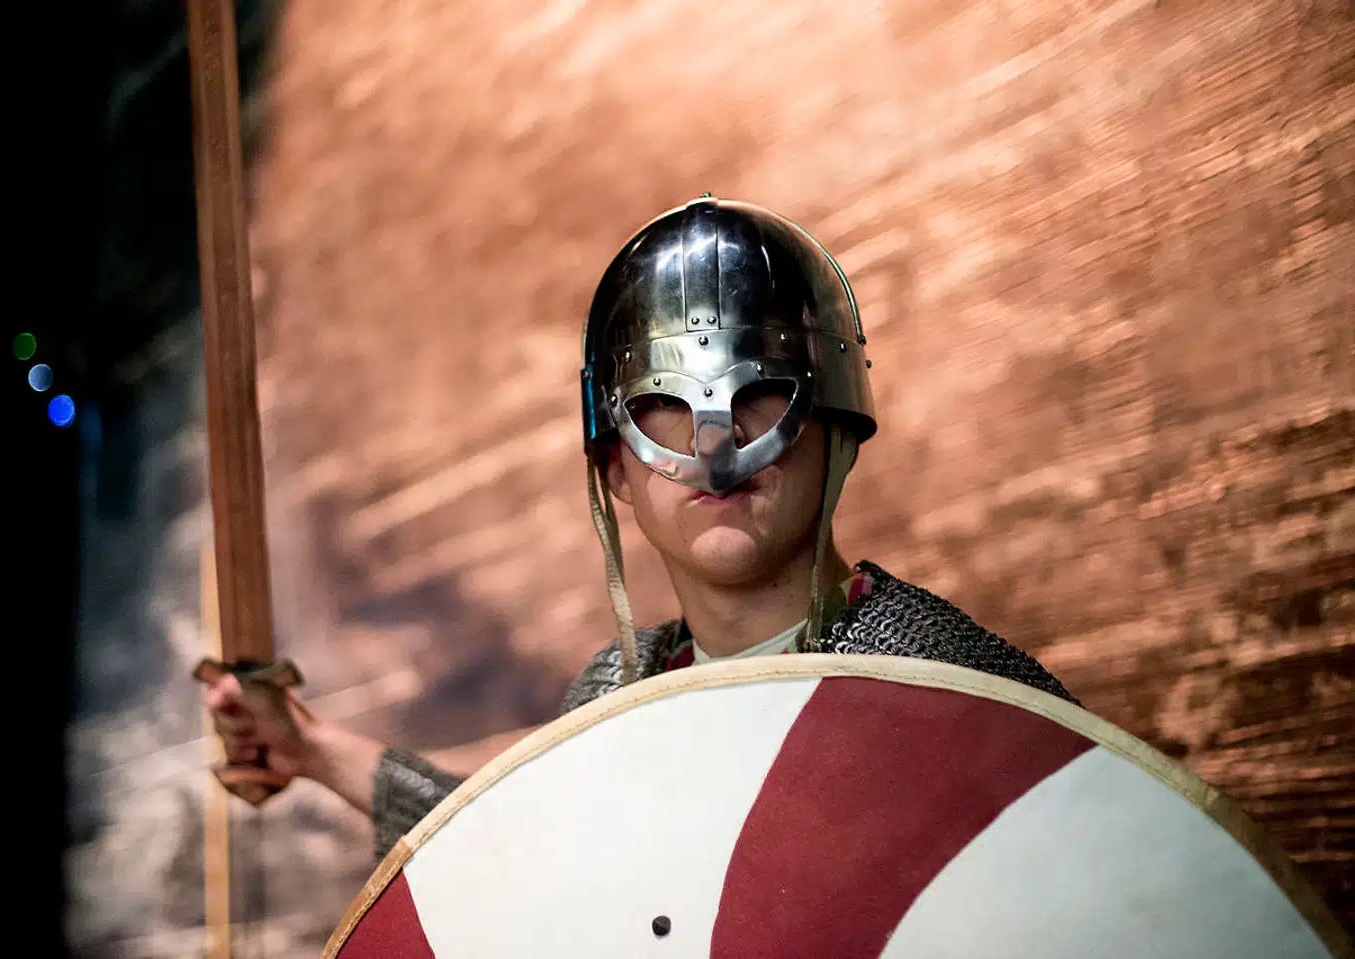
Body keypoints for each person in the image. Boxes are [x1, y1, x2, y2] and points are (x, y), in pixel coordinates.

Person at [205, 196, 1076, 863]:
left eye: (760, 392)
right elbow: (514, 845)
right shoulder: (620, 692)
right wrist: (311, 748)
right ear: (615, 469)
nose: (714, 444)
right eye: (664, 404)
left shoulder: (949, 683)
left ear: (837, 428)